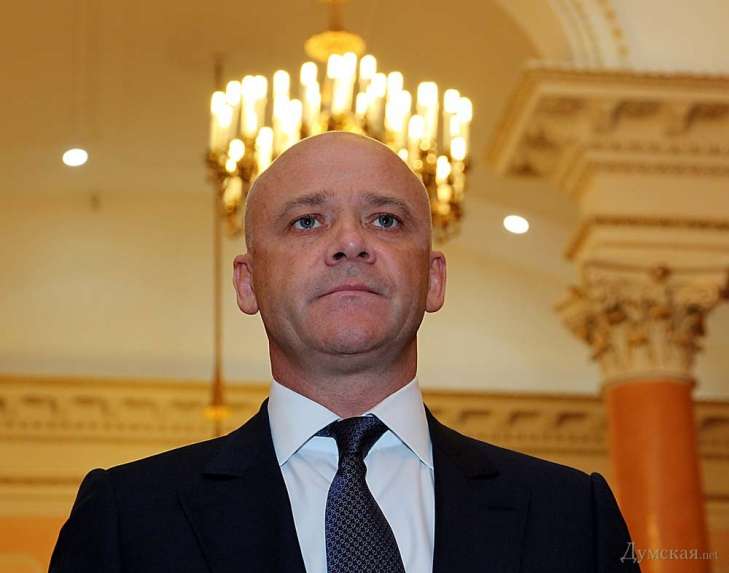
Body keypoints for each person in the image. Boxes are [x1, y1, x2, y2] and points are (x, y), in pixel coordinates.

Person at [50, 132, 640, 572]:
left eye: (385, 219)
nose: (351, 243)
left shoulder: (572, 515)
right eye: (307, 221)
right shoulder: (127, 517)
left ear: (434, 280)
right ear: (247, 284)